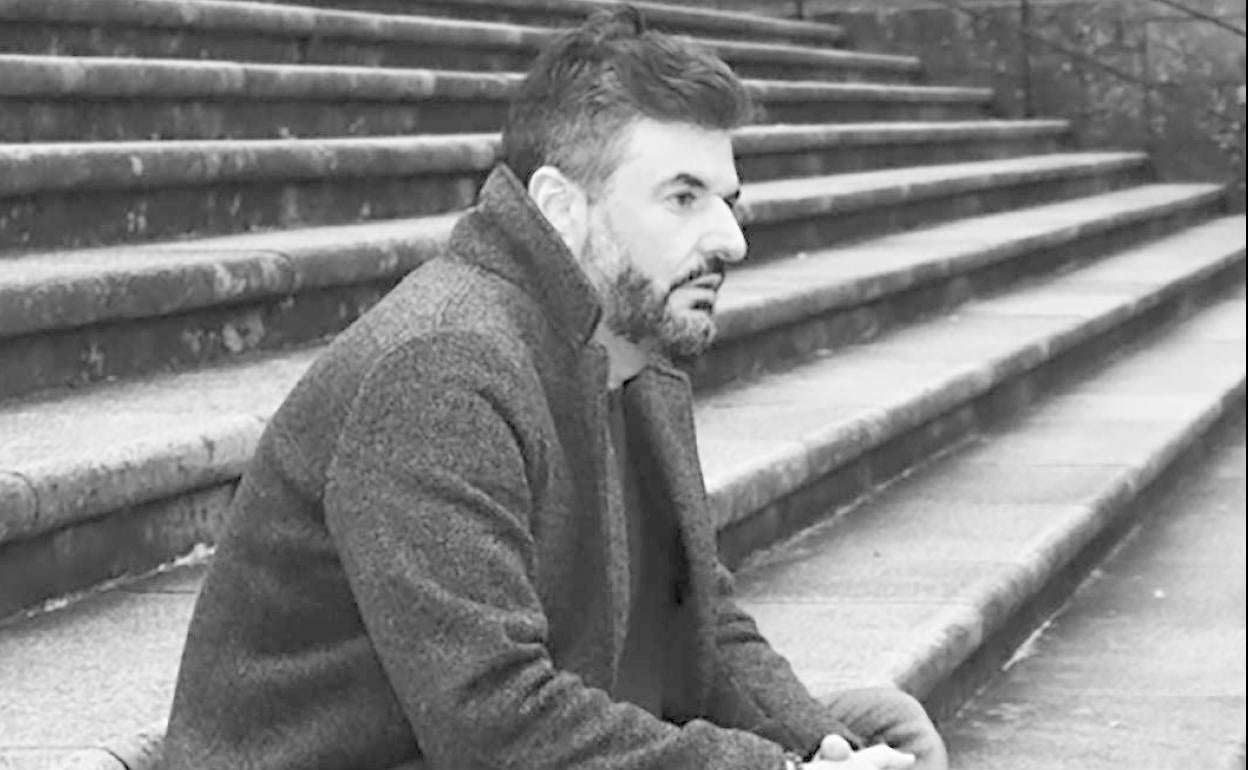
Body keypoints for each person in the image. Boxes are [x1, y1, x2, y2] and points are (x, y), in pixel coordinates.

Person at [161, 6, 948, 770]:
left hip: (529, 732)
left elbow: (702, 622)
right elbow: (493, 723)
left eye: (729, 202)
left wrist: (825, 746)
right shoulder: (444, 372)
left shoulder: (635, 355)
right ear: (561, 209)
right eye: (683, 199)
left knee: (888, 728)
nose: (731, 240)